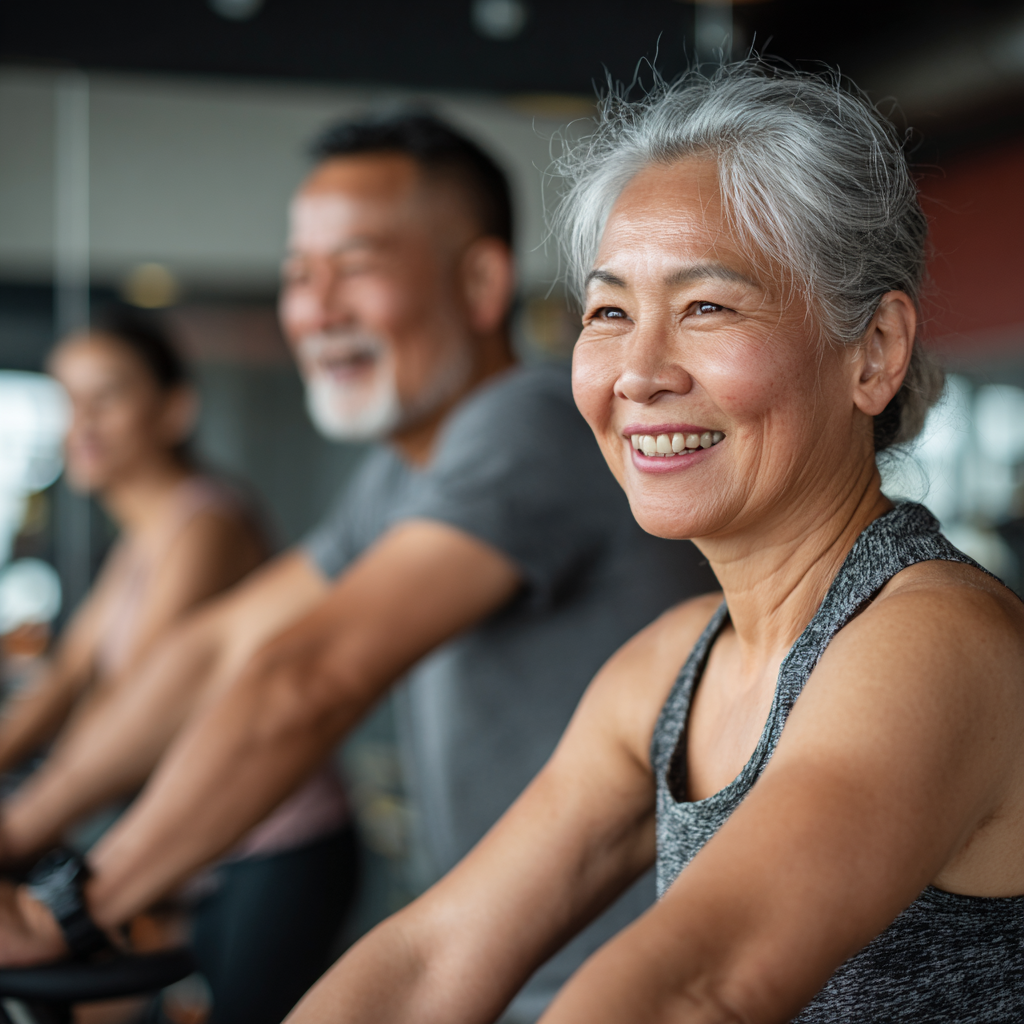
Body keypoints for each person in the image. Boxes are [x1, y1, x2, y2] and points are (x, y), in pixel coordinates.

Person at [278, 65, 1024, 1024]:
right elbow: (433, 959)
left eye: (706, 306)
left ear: (873, 351)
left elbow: (695, 989)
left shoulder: (936, 643)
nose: (637, 372)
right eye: (609, 313)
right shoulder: (670, 667)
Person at [0, 113, 715, 1024]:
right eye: (300, 274)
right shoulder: (400, 471)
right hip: (512, 972)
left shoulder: (530, 425)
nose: (316, 309)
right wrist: (17, 829)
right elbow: (217, 647)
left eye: (357, 266)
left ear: (480, 282)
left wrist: (70, 908)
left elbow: (315, 675)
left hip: (622, 989)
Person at [0, 309, 268, 789]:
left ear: (174, 411)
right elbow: (69, 671)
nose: (80, 423)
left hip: (269, 830)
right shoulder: (144, 536)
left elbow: (130, 702)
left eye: (105, 397)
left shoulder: (207, 526)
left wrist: (34, 803)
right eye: (68, 400)